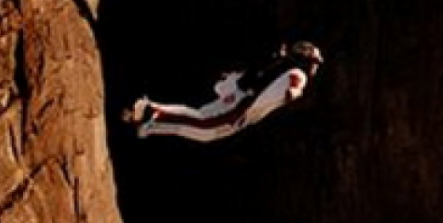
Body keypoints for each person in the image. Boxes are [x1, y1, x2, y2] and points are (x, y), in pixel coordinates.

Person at [122, 41, 325, 142]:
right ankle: (149, 109)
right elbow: (294, 84)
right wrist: (295, 92)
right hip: (242, 104)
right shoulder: (299, 73)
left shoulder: (282, 63)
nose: (316, 67)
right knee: (204, 124)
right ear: (306, 60)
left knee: (205, 132)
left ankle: (149, 125)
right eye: (315, 62)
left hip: (241, 99)